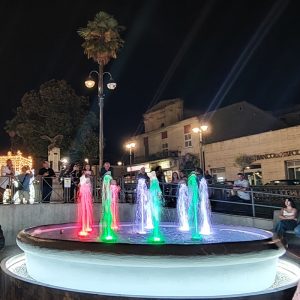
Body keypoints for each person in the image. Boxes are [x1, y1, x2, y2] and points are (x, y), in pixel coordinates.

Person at [77, 167, 94, 236]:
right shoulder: (82, 178)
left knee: (87, 210)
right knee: (84, 210)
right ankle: (84, 226)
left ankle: (87, 225)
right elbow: (81, 185)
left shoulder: (88, 179)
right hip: (84, 196)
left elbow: (90, 187)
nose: (87, 173)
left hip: (88, 196)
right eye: (85, 172)